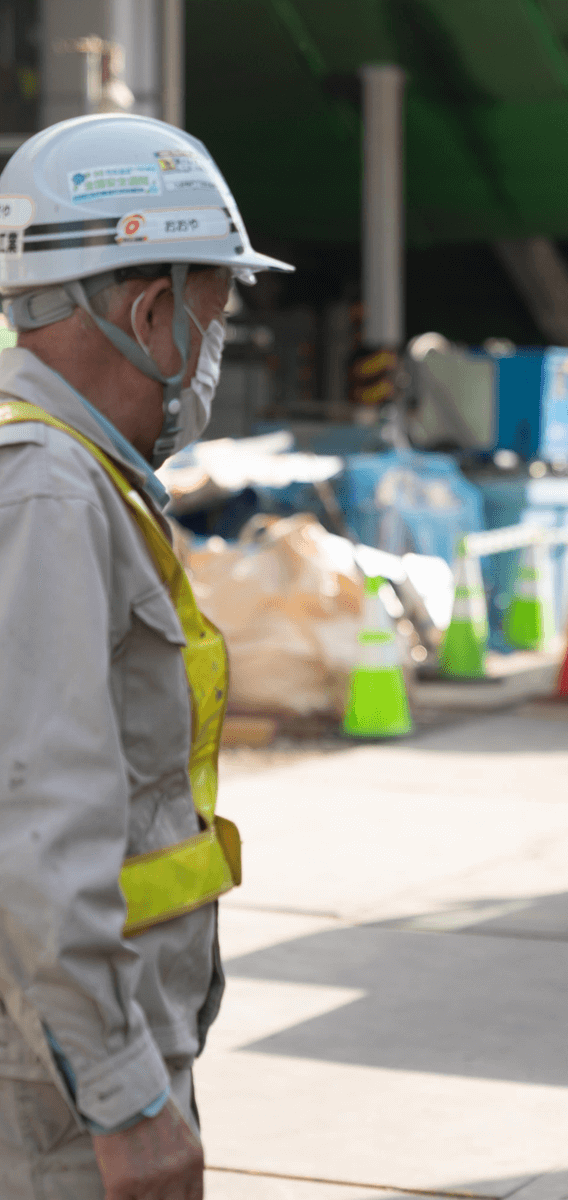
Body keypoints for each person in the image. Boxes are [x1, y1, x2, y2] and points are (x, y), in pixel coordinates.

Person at [0, 114, 291, 1198]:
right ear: (149, 311)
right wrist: (126, 1098)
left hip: (68, 1064)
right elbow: (35, 828)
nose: (209, 351)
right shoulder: (47, 495)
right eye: (212, 318)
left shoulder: (74, 482)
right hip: (64, 1095)